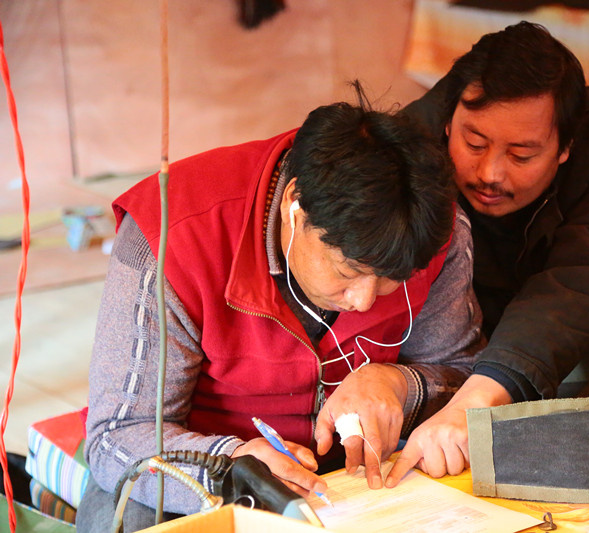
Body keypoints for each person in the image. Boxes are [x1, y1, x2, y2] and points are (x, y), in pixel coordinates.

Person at [76, 89, 483, 531]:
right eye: (347, 271)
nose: (365, 301)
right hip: (209, 475)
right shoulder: (173, 235)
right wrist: (230, 465)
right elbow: (117, 437)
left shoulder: (433, 232)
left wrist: (399, 383)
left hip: (356, 480)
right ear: (294, 207)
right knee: (127, 512)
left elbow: (469, 379)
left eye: (392, 280)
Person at [386, 21, 589, 486]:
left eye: (522, 155)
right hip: (455, 355)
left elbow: (583, 280)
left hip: (583, 337)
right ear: (448, 122)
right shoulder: (405, 144)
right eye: (474, 144)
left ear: (565, 147)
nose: (490, 173)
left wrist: (478, 400)